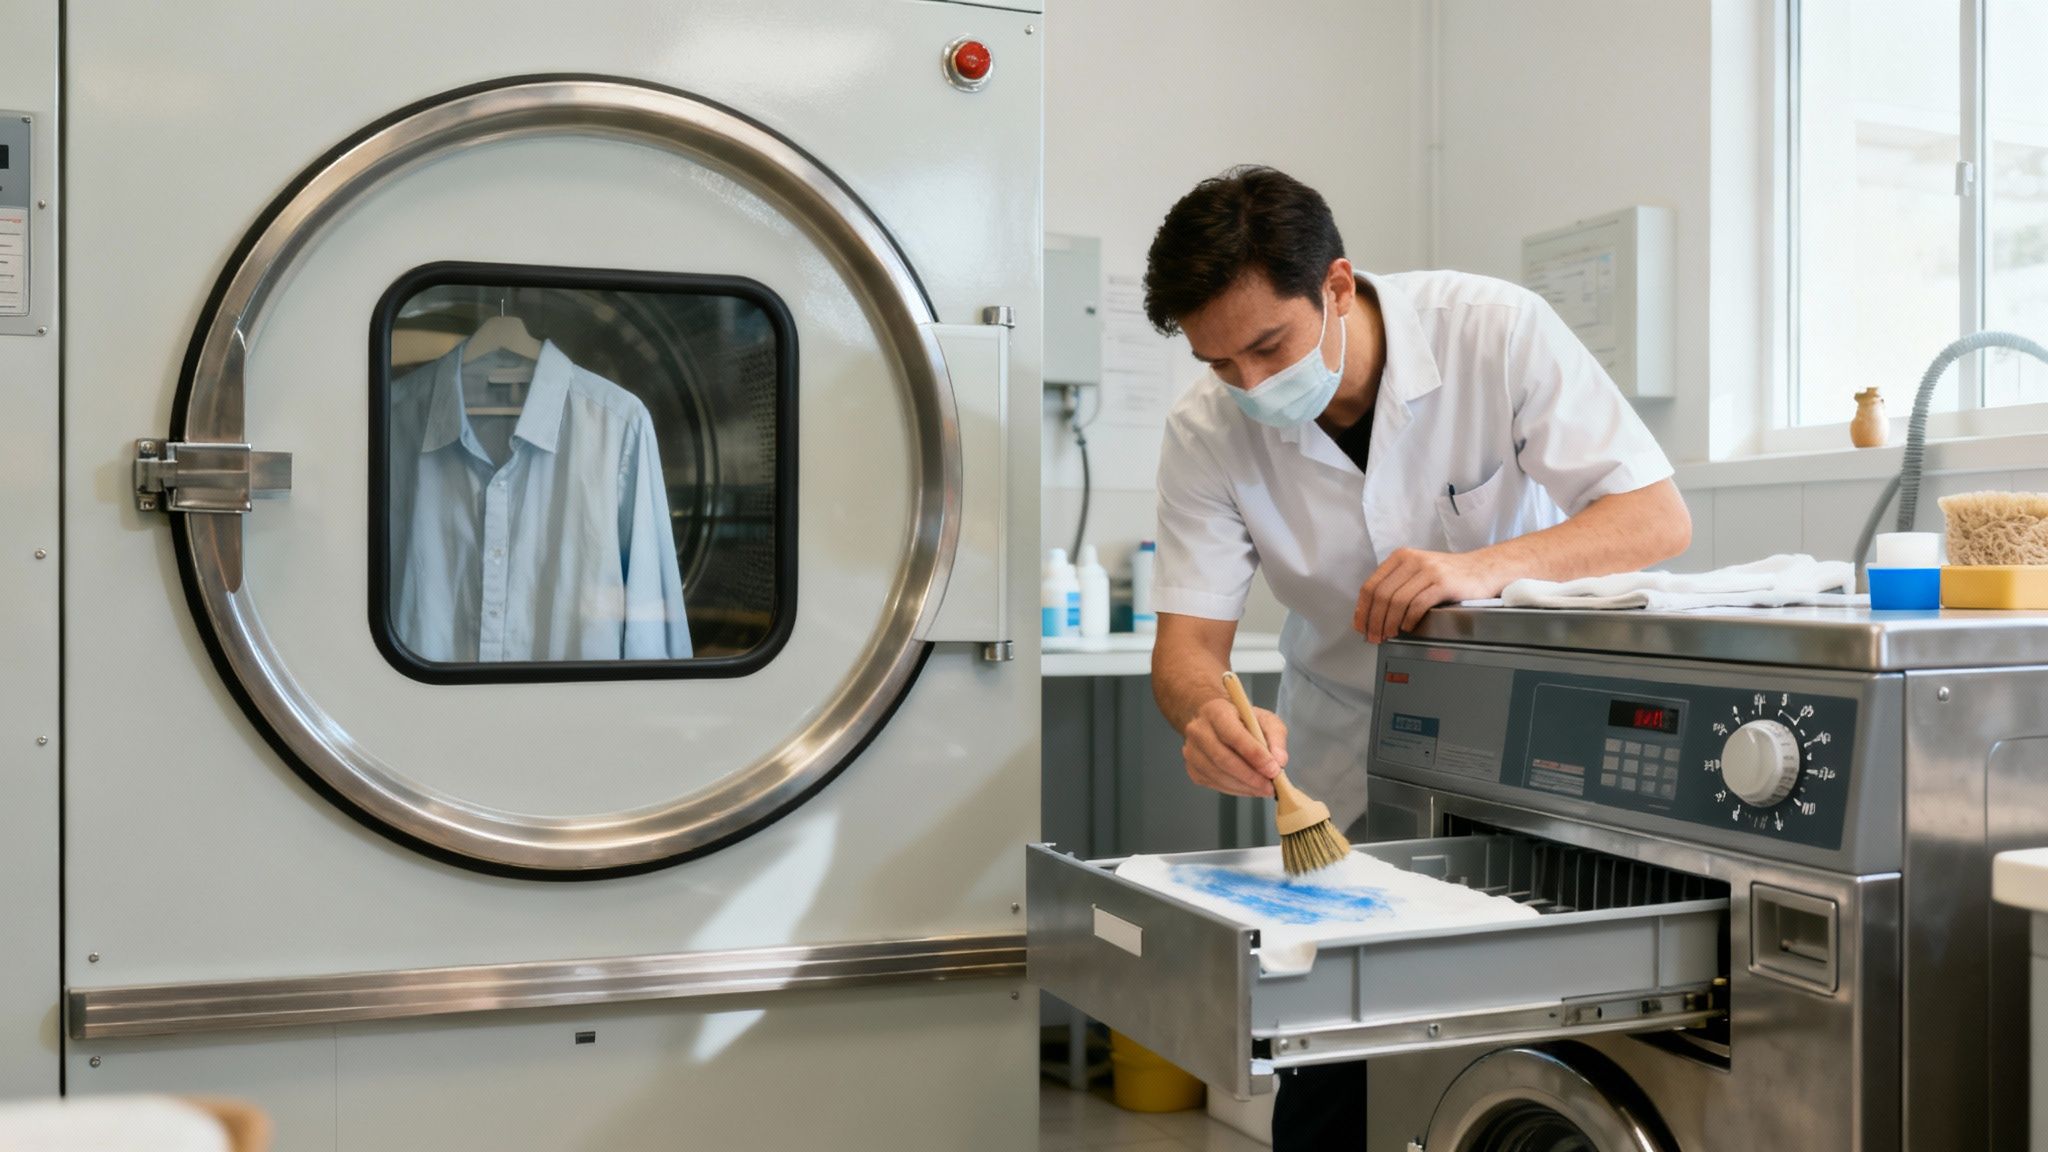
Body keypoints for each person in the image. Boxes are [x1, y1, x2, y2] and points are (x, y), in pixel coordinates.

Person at [1141, 166, 1691, 1148]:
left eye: (1269, 345)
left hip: (1521, 747)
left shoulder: (1492, 331)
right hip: (1341, 758)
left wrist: (1484, 567)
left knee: (1517, 1040)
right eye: (1221, 364)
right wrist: (1201, 715)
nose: (1253, 387)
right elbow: (1186, 648)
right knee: (1332, 1078)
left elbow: (1654, 516)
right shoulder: (1204, 432)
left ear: (1338, 287)